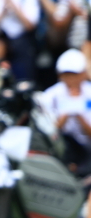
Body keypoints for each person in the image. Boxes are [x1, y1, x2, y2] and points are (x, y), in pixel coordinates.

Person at [38, 49, 91, 177]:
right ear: (59, 75)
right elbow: (49, 134)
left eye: (74, 74)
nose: (70, 79)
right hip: (63, 148)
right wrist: (65, 114)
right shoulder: (50, 96)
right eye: (66, 74)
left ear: (83, 74)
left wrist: (79, 114)